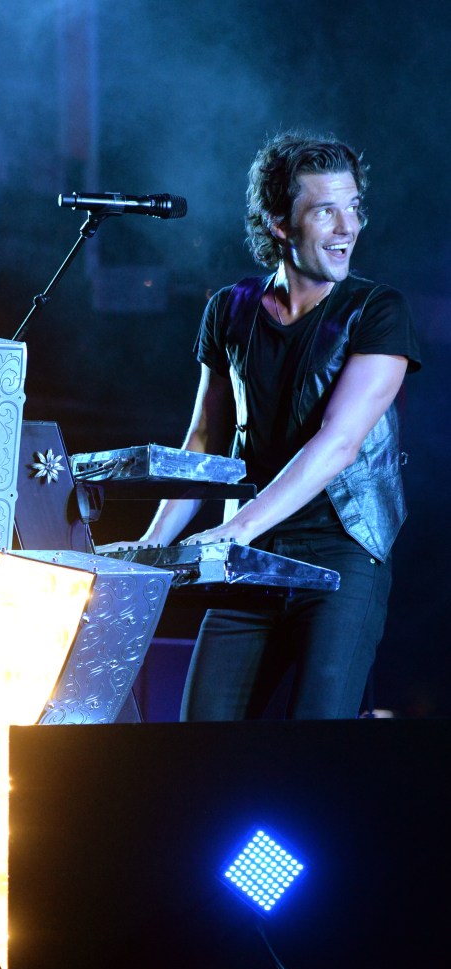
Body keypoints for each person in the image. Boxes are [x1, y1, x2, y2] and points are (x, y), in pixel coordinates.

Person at [108, 130, 421, 721]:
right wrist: (153, 544)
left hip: (341, 549)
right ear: (279, 222)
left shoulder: (378, 311)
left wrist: (234, 530)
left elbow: (340, 442)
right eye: (325, 210)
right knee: (203, 741)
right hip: (249, 555)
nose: (347, 228)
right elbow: (204, 443)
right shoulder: (231, 308)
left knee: (314, 742)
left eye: (353, 208)